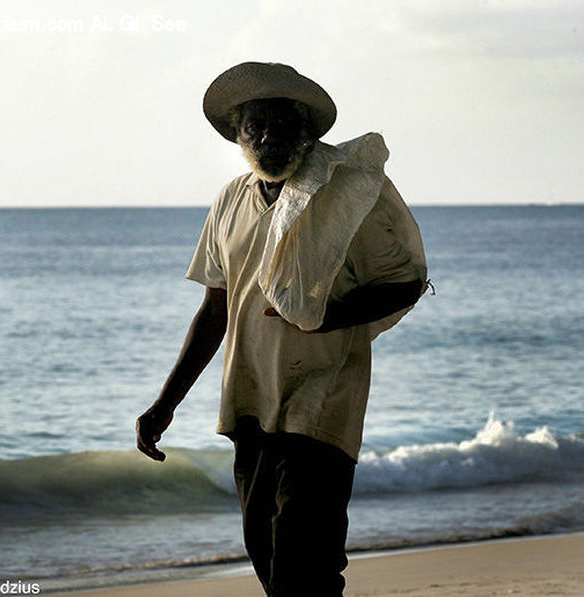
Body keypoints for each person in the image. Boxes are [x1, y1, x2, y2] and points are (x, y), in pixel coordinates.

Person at [136, 62, 429, 596]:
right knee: (271, 564)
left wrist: (324, 318)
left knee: (306, 564)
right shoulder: (229, 200)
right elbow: (215, 309)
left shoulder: (347, 196)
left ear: (308, 133)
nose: (270, 137)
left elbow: (405, 282)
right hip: (249, 405)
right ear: (238, 135)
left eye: (283, 125)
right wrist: (166, 402)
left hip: (323, 404)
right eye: (257, 127)